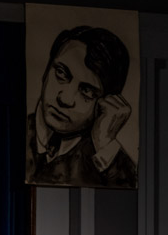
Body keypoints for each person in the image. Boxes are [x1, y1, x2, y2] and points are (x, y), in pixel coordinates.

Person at [26, 26, 138, 189]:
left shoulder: (104, 158)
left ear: (106, 103)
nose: (65, 99)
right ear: (46, 72)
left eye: (87, 91)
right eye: (61, 74)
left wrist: (106, 144)